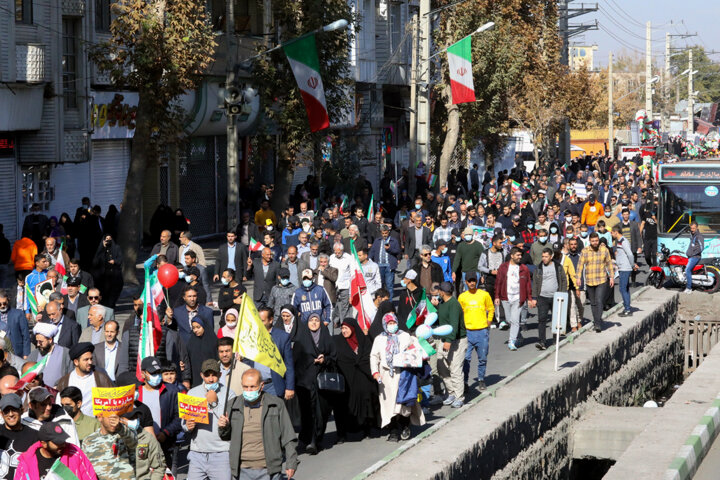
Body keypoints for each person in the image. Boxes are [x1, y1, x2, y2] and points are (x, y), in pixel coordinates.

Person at [218, 369, 298, 480]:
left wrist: (291, 462)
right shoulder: (233, 405)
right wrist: (223, 427)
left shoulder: (275, 404)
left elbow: (288, 436)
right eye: (245, 387)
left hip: (268, 470)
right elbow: (225, 436)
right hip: (242, 470)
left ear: (261, 386)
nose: (249, 390)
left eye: (252, 386)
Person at [369, 312, 425, 442]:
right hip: (386, 376)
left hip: (404, 375)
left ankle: (405, 426)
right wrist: (375, 372)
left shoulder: (405, 336)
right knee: (389, 405)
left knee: (403, 403)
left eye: (393, 323)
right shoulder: (379, 339)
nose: (392, 326)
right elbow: (374, 356)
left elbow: (415, 349)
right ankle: (393, 430)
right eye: (389, 323)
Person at [183, 359, 235, 480]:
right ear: (201, 375)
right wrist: (188, 426)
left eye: (214, 375)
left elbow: (231, 422)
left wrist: (214, 403)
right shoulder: (192, 393)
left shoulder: (230, 394)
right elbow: (184, 423)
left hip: (221, 453)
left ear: (220, 375)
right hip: (197, 453)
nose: (211, 379)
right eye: (207, 375)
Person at [292, 313, 337, 454]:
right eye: (311, 320)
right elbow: (295, 360)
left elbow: (334, 356)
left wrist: (325, 359)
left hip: (322, 384)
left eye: (316, 320)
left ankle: (316, 439)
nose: (314, 322)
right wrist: (310, 361)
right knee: (307, 412)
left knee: (321, 412)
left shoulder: (326, 337)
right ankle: (308, 440)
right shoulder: (301, 339)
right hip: (305, 382)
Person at [332, 318, 379, 441]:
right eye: (342, 328)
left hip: (364, 379)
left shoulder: (364, 341)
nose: (343, 331)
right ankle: (343, 433)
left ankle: (367, 429)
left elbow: (369, 357)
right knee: (344, 406)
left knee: (367, 401)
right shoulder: (338, 342)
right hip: (347, 381)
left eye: (346, 328)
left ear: (353, 328)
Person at [137, 356, 182, 465]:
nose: (156, 376)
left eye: (158, 372)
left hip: (164, 445)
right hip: (141, 447)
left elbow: (179, 417)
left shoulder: (172, 391)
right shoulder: (136, 393)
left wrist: (165, 433)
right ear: (143, 374)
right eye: (153, 373)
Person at [15, 421, 96, 480]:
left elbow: (90, 477)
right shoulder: (26, 461)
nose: (63, 445)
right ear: (44, 444)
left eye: (63, 440)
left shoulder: (75, 453)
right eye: (57, 442)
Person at [55, 342, 114, 415]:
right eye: (86, 359)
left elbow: (112, 402)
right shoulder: (64, 381)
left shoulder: (101, 378)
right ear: (76, 362)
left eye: (91, 359)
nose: (90, 362)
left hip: (95, 424)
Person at [436, 281, 467, 407]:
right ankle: (451, 392)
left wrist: (449, 341)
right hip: (443, 340)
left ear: (442, 292)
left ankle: (459, 397)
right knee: (441, 366)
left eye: (439, 290)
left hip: (456, 341)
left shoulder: (454, 305)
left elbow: (454, 325)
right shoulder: (443, 303)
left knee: (455, 369)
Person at [575, 232, 615, 332]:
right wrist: (578, 277)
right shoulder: (585, 251)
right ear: (590, 241)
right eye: (593, 241)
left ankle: (597, 323)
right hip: (590, 280)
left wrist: (612, 277)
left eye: (596, 241)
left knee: (599, 300)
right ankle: (597, 320)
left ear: (598, 240)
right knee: (593, 303)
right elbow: (580, 265)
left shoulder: (604, 250)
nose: (595, 243)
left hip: (602, 279)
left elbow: (609, 264)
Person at [495, 247, 533, 351]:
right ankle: (519, 336)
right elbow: (498, 282)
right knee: (509, 320)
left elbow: (528, 284)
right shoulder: (503, 267)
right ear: (512, 256)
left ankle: (512, 341)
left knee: (515, 321)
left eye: (521, 255)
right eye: (518, 255)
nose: (520, 257)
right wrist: (497, 296)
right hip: (505, 297)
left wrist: (529, 298)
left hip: (518, 298)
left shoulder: (524, 268)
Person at [530, 248, 568, 350]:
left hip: (556, 297)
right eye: (543, 256)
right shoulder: (538, 268)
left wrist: (562, 294)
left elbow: (564, 280)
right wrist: (534, 298)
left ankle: (556, 340)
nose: (544, 259)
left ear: (551, 257)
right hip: (542, 297)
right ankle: (542, 342)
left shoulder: (558, 267)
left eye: (546, 257)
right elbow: (535, 284)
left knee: (556, 320)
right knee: (542, 320)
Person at [82, 414, 138, 480]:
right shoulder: (88, 441)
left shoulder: (125, 434)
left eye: (116, 417)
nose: (114, 421)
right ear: (100, 417)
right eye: (110, 418)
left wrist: (121, 428)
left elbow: (133, 442)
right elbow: (86, 470)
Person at [0, 393, 38, 479]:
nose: (10, 414)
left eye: (14, 409)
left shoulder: (34, 436)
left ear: (22, 410)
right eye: (6, 411)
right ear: (1, 413)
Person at [27, 322, 72, 388]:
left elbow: (70, 376)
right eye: (37, 341)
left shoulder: (65, 353)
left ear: (50, 340)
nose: (38, 344)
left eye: (41, 342)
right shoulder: (34, 355)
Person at [611, 225, 638, 317]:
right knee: (625, 289)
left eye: (612, 232)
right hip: (622, 267)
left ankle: (627, 309)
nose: (611, 234)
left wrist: (632, 264)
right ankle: (627, 308)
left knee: (622, 289)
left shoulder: (624, 241)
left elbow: (630, 255)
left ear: (616, 232)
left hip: (625, 268)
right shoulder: (618, 241)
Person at [92, 234, 124, 309]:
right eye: (106, 239)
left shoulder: (116, 248)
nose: (108, 241)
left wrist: (114, 261)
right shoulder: (101, 249)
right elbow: (95, 262)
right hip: (103, 277)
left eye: (110, 239)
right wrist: (103, 248)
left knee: (113, 293)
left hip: (114, 275)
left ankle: (111, 305)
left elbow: (120, 259)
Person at [186, 317, 219, 388]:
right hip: (195, 378)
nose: (195, 330)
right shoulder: (191, 342)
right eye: (193, 328)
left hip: (211, 378)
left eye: (198, 327)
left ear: (204, 326)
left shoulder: (213, 341)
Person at [370, 224, 401, 295]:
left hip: (389, 266)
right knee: (380, 284)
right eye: (383, 233)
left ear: (388, 232)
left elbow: (397, 251)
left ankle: (389, 302)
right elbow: (372, 251)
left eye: (386, 233)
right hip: (379, 265)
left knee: (389, 285)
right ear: (381, 233)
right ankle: (381, 301)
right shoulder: (377, 241)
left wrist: (390, 249)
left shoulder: (394, 241)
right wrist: (369, 260)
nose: (384, 235)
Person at [0, 290, 31, 358]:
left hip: (17, 353)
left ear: (8, 300)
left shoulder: (18, 314)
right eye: (0, 304)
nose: (2, 306)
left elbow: (25, 335)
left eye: (4, 303)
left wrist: (26, 354)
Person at [452, 227, 484, 291]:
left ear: (472, 235)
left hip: (476, 272)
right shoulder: (461, 246)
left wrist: (482, 275)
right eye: (466, 235)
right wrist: (453, 271)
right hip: (465, 272)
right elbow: (457, 259)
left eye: (469, 234)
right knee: (467, 291)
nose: (468, 236)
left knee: (475, 291)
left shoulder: (478, 245)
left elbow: (483, 260)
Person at [329, 243, 353, 326]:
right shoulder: (331, 258)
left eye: (338, 252)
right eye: (335, 252)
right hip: (334, 285)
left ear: (342, 251)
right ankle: (335, 320)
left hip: (345, 285)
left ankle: (344, 323)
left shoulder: (349, 258)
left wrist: (351, 291)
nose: (337, 254)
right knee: (334, 305)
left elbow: (352, 273)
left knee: (344, 306)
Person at [685, 221, 704, 293]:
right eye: (691, 228)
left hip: (695, 257)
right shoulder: (693, 235)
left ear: (697, 227)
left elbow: (701, 247)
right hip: (691, 256)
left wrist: (693, 254)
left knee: (687, 270)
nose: (692, 229)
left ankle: (689, 288)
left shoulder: (699, 236)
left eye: (693, 228)